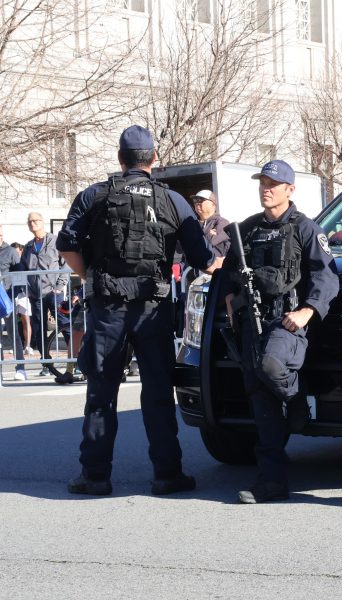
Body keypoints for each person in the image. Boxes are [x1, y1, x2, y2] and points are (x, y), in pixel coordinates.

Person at [57, 125, 214, 496]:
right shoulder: (172, 200)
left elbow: (66, 244)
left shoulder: (95, 195)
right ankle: (167, 475)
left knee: (100, 394)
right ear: (154, 159)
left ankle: (94, 477)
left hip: (108, 308)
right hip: (152, 310)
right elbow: (204, 259)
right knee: (158, 393)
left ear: (120, 158)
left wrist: (91, 277)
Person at [219, 159, 338, 504]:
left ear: (290, 190)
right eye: (262, 183)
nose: (266, 189)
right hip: (250, 323)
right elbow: (229, 273)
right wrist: (230, 299)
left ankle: (295, 395)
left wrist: (307, 311)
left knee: (271, 366)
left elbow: (326, 277)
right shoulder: (247, 230)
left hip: (287, 323)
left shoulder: (306, 229)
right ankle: (271, 483)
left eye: (273, 184)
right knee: (260, 398)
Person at [21, 212, 70, 377]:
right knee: (39, 329)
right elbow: (23, 270)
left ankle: (76, 359)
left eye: (35, 221)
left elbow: (66, 264)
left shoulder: (55, 241)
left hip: (53, 292)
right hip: (35, 295)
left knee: (65, 324)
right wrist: (26, 289)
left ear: (42, 222)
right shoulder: (28, 246)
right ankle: (46, 363)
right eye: (29, 222)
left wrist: (59, 285)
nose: (32, 224)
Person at [0, 227, 27, 380]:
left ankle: (21, 368)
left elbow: (20, 272)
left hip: (7, 299)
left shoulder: (10, 251)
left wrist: (16, 295)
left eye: (1, 235)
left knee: (13, 334)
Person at [9, 242, 33, 356]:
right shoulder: (10, 261)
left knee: (25, 320)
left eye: (17, 251)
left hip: (24, 293)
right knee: (12, 321)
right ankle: (15, 346)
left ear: (21, 250)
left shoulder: (24, 261)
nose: (15, 253)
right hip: (12, 293)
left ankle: (27, 345)